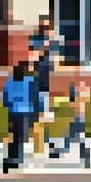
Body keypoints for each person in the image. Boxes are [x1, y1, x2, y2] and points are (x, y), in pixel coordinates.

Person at [29, 16, 62, 156]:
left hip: (45, 85)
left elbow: (57, 62)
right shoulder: (36, 41)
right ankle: (40, 143)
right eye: (44, 27)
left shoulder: (53, 43)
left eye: (48, 27)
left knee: (44, 116)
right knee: (37, 115)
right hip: (35, 84)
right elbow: (32, 58)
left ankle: (48, 143)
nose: (47, 31)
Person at [0, 60, 38, 173]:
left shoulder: (10, 82)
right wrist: (35, 113)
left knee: (15, 137)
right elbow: (33, 98)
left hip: (13, 113)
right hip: (24, 113)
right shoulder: (28, 82)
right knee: (20, 138)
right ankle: (14, 160)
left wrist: (9, 108)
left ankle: (12, 158)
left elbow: (5, 98)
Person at [48, 76, 91, 167]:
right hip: (76, 120)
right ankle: (57, 152)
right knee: (73, 139)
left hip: (77, 120)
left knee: (75, 139)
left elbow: (78, 106)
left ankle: (57, 152)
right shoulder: (79, 99)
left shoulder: (80, 98)